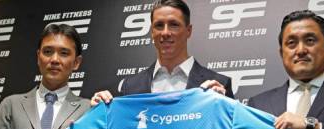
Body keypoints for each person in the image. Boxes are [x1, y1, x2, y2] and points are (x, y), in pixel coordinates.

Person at [91, 0, 234, 104]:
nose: (165, 32)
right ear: (152, 32)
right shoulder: (129, 87)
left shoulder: (219, 85)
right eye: (159, 25)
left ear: (188, 31)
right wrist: (98, 111)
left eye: (174, 25)